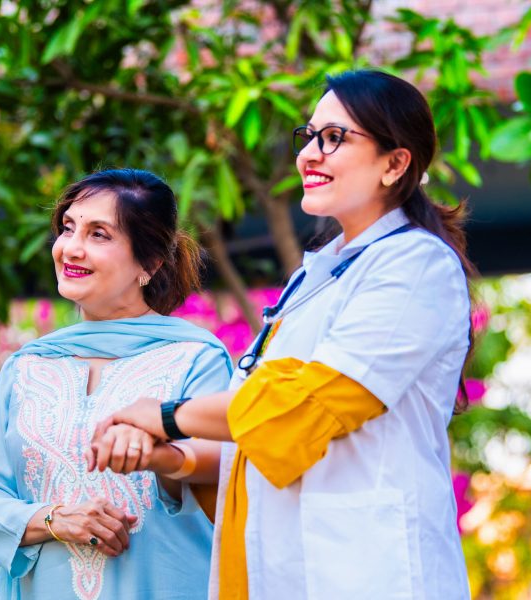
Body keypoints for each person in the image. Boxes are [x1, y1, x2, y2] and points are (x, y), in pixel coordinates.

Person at [91, 70, 475, 599]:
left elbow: (301, 407)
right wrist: (168, 456)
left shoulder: (416, 265)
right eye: (310, 135)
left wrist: (161, 415)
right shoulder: (316, 275)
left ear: (395, 163)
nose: (310, 154)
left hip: (368, 574)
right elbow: (260, 437)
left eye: (335, 137)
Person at [0, 168, 233, 600]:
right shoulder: (27, 368)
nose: (71, 248)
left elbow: (224, 468)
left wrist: (158, 451)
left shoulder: (195, 359)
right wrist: (56, 519)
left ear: (149, 264)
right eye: (68, 228)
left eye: (99, 235)